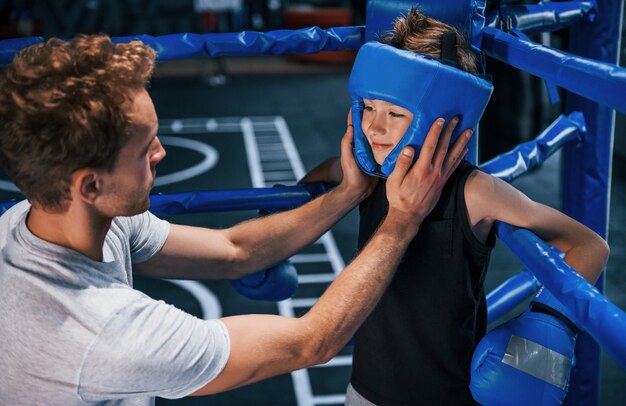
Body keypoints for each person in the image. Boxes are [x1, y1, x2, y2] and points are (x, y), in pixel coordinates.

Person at [0, 34, 473, 404]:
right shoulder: (102, 333)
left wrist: (349, 192)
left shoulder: (46, 217)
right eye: (146, 151)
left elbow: (234, 252)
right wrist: (403, 220)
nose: (162, 153)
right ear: (90, 185)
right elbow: (310, 343)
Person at [300, 9, 609, 405]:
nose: (374, 127)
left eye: (394, 113)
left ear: (442, 117)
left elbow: (591, 247)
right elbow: (322, 173)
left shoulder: (475, 192)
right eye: (369, 107)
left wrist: (545, 331)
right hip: (364, 391)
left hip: (445, 396)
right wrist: (276, 218)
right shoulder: (369, 173)